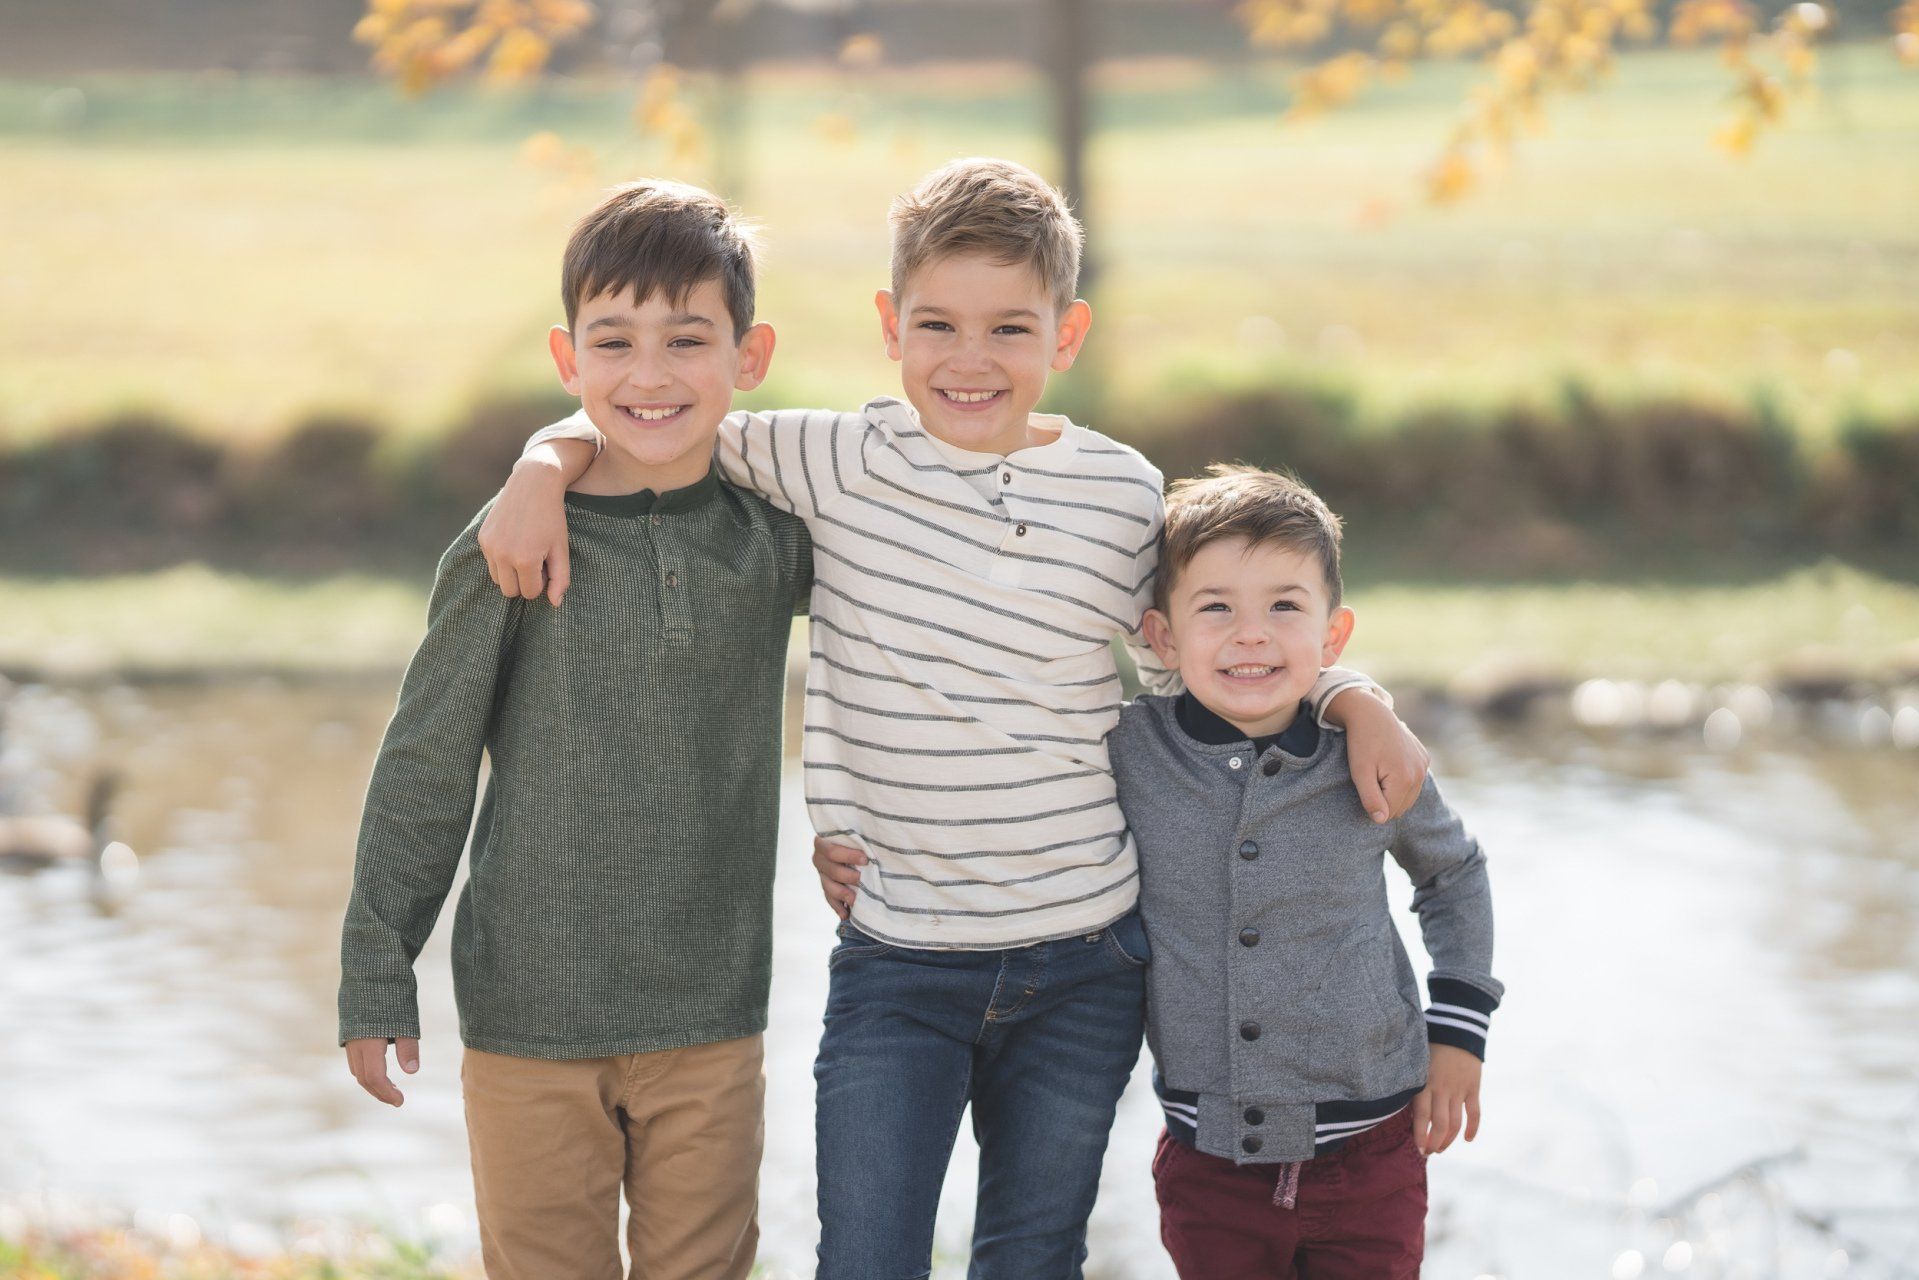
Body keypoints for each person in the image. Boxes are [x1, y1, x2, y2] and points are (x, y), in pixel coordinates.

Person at [478, 157, 1431, 1278]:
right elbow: (647, 413)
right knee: (868, 1257)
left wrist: (1352, 694)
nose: (969, 359)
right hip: (899, 961)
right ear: (890, 325)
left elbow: (1227, 646)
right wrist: (539, 464)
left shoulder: (1123, 492)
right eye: (937, 323)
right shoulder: (830, 459)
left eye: (1008, 329)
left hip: (1086, 958)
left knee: (1031, 1256)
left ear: (1065, 335)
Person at [336, 179, 811, 1280]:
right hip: (526, 1013)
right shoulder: (509, 545)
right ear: (568, 358)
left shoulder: (775, 540)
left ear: (751, 353)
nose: (650, 374)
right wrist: (376, 965)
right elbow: (426, 761)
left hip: (712, 1009)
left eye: (687, 339)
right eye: (615, 342)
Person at [1120, 464, 1501, 1277]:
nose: (1250, 633)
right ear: (1161, 636)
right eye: (1215, 607)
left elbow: (1452, 875)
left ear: (1332, 637)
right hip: (1209, 1160)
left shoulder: (1372, 754)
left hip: (1373, 1151)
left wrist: (1459, 1031)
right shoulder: (1130, 753)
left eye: (1284, 608)